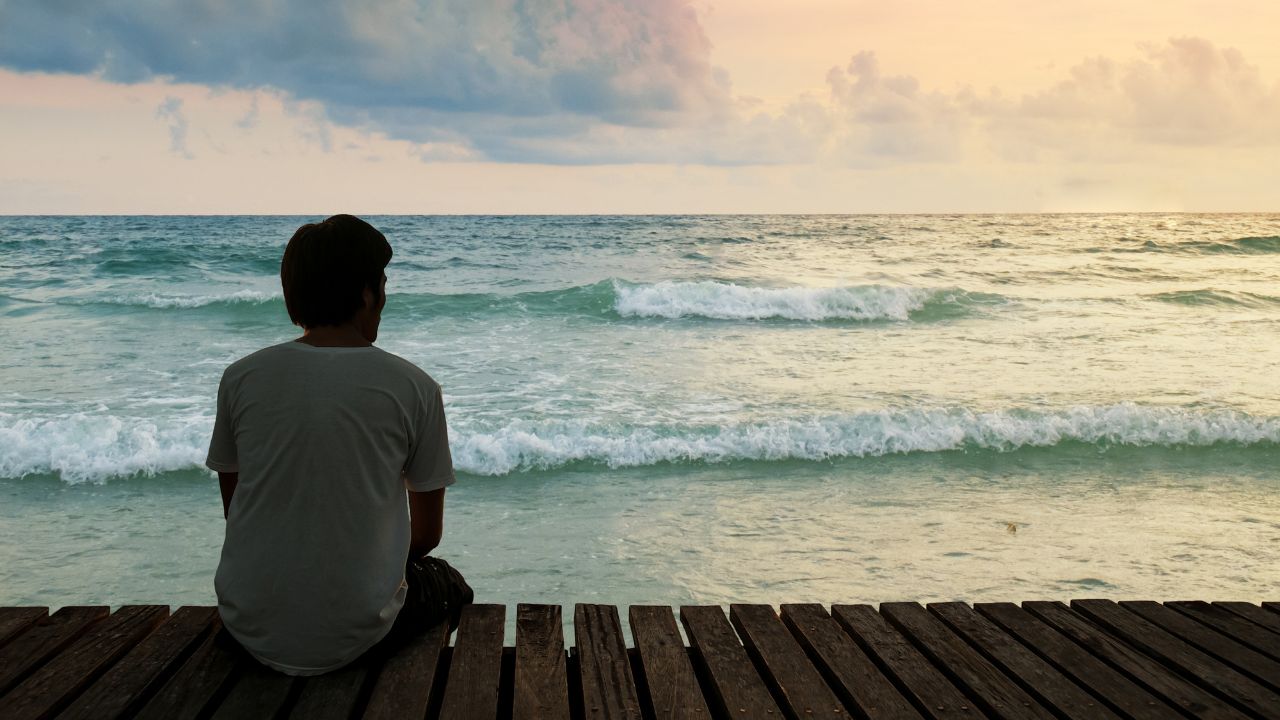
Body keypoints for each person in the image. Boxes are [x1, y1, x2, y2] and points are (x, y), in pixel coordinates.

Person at [205, 214, 471, 675]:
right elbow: (426, 536)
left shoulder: (241, 378)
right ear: (368, 294)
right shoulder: (414, 387)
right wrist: (362, 556)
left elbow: (240, 512)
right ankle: (396, 681)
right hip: (357, 632)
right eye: (383, 285)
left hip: (246, 622)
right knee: (450, 585)